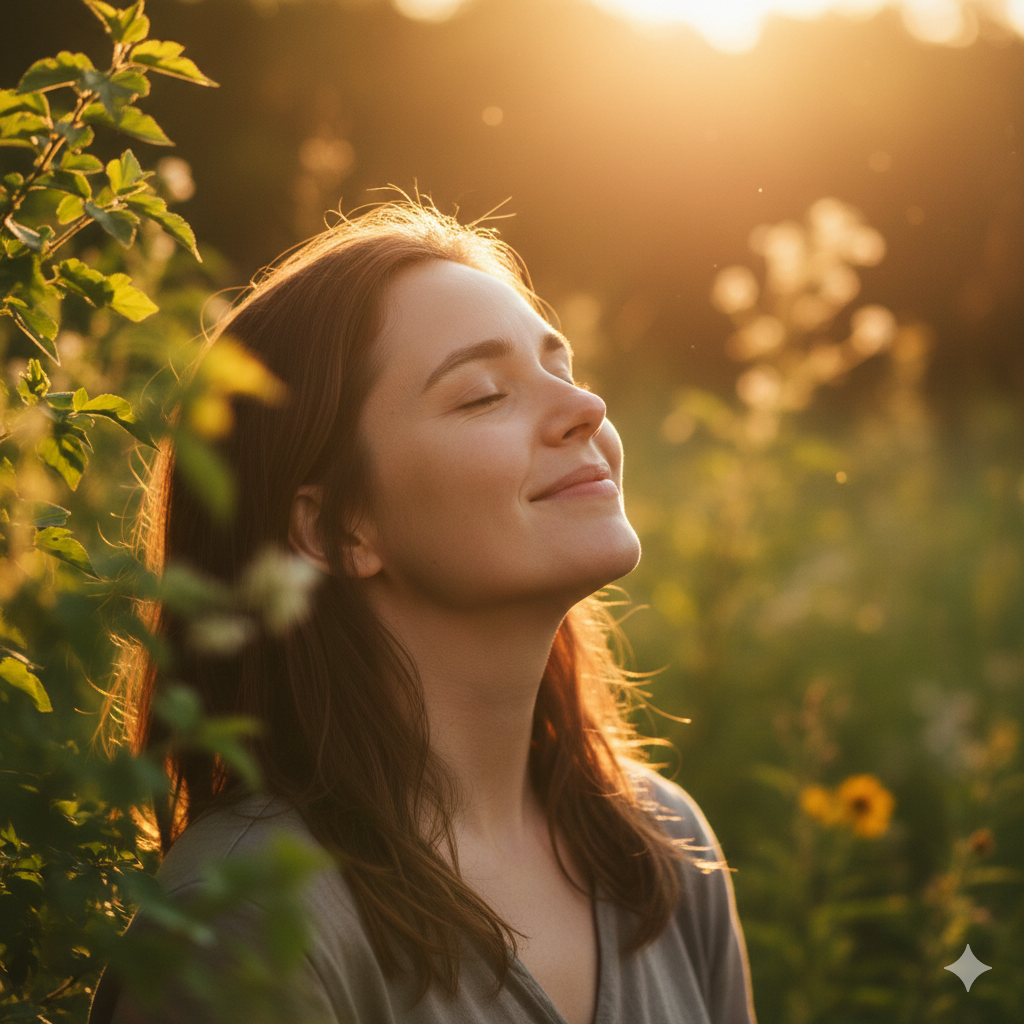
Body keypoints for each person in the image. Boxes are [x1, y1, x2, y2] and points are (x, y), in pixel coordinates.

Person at [90, 202, 757, 1024]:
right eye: (483, 395)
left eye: (563, 368)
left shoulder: (660, 848)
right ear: (337, 527)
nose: (585, 410)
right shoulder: (244, 928)